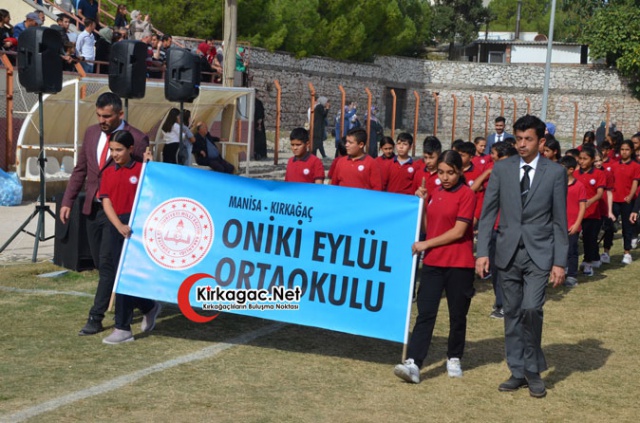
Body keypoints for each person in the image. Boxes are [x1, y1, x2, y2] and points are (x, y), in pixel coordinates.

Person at [476, 114, 568, 398]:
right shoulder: (501, 169)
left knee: (531, 309)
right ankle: (518, 371)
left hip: (540, 253)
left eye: (528, 139)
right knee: (512, 312)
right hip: (507, 252)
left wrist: (560, 262)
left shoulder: (555, 173)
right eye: (518, 139)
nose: (522, 144)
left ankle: (533, 370)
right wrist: (482, 252)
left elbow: (559, 221)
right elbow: (488, 213)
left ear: (541, 141)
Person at [61, 92, 149, 336]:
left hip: (120, 214)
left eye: (107, 116)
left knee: (110, 265)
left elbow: (143, 176)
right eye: (99, 115)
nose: (102, 120)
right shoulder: (91, 133)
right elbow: (81, 169)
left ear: (120, 114)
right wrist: (68, 200)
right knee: (103, 266)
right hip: (94, 208)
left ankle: (96, 317)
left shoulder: (138, 138)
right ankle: (147, 306)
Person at [394, 150, 476, 383]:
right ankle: (413, 363)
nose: (445, 177)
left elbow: (458, 231)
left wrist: (426, 244)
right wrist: (422, 204)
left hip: (459, 264)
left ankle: (454, 357)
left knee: (457, 315)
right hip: (433, 263)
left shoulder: (467, 194)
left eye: (450, 172)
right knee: (425, 313)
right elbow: (430, 228)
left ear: (459, 172)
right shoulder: (436, 193)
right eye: (441, 172)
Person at [98, 131, 161, 344]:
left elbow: (155, 191)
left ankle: (122, 328)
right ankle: (148, 306)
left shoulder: (142, 170)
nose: (115, 154)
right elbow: (106, 201)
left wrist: (151, 166)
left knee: (125, 277)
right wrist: (118, 225)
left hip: (137, 227)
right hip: (117, 226)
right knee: (119, 275)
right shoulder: (108, 172)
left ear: (131, 149)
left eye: (119, 150)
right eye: (112, 150)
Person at [602, 140, 640, 265]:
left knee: (627, 227)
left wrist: (630, 195)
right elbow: (610, 183)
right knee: (609, 226)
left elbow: (635, 182)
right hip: (614, 200)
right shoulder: (614, 165)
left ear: (631, 151)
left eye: (627, 149)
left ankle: (627, 252)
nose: (624, 152)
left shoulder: (636, 166)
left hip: (627, 201)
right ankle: (606, 251)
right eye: (622, 149)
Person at [573, 144, 606, 276]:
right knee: (573, 239)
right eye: (580, 158)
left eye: (585, 159)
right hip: (576, 213)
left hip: (592, 213)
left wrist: (590, 202)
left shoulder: (599, 174)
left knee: (589, 239)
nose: (582, 161)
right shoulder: (575, 174)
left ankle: (588, 263)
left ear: (592, 160)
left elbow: (600, 193)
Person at [559, 155, 587, 287]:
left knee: (572, 251)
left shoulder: (579, 186)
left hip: (572, 225)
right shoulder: (557, 185)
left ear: (571, 170)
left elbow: (582, 207)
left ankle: (572, 275)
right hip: (558, 225)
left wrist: (577, 224)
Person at [254, 94, 267, 160]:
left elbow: (260, 114)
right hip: (255, 123)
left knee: (259, 139)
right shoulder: (255, 102)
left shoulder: (258, 103)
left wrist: (259, 124)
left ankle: (260, 153)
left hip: (258, 124)